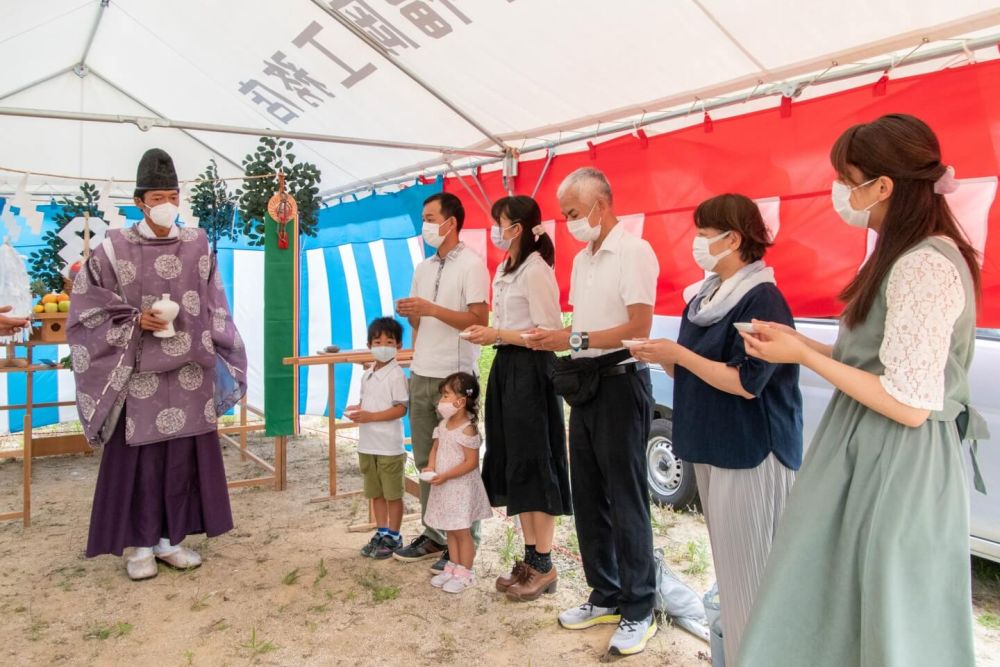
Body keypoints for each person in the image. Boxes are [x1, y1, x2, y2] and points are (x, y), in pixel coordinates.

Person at [737, 114, 984, 667]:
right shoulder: (906, 253)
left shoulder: (923, 264)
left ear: (883, 185)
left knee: (885, 622)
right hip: (870, 450)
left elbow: (909, 404)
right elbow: (879, 365)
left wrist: (802, 355)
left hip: (897, 461)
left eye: (847, 178)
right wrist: (802, 345)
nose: (841, 193)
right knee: (839, 614)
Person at [631, 193, 803, 662]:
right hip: (708, 444)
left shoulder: (762, 297)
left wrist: (680, 356)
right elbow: (692, 371)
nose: (697, 243)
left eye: (705, 234)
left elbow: (749, 383)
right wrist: (666, 358)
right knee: (731, 572)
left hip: (750, 450)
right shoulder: (705, 295)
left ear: (734, 238)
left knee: (753, 576)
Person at [67, 148, 247, 581]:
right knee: (143, 464)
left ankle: (172, 541)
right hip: (138, 374)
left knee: (182, 459)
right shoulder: (113, 248)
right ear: (139, 200)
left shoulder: (197, 242)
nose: (167, 203)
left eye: (173, 195)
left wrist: (221, 347)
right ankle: (141, 547)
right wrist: (133, 319)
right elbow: (86, 304)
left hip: (189, 372)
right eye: (158, 196)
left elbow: (214, 300)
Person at [526, 167, 660, 656]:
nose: (569, 222)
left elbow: (638, 326)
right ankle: (605, 592)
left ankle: (640, 607)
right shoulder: (582, 260)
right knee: (588, 495)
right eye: (565, 214)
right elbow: (584, 324)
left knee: (626, 499)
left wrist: (572, 338)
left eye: (573, 213)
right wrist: (564, 338)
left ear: (600, 206)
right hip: (585, 386)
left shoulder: (635, 251)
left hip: (622, 383)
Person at [463, 195, 571, 601]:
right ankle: (531, 558)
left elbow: (549, 333)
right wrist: (493, 336)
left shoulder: (537, 269)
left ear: (518, 228)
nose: (495, 229)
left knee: (535, 464)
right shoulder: (506, 268)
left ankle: (544, 563)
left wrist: (496, 335)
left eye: (500, 222)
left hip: (531, 372)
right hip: (507, 369)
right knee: (516, 465)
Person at [394, 193, 490, 572]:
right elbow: (421, 323)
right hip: (422, 370)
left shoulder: (472, 265)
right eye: (424, 218)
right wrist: (413, 315)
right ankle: (435, 535)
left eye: (431, 218)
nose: (426, 226)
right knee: (425, 459)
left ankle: (464, 540)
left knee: (459, 462)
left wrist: (431, 309)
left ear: (451, 222)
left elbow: (478, 318)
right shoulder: (422, 266)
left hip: (454, 375)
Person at [423, 372, 493, 594]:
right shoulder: (443, 425)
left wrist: (446, 475)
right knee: (451, 529)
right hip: (445, 486)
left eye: (445, 396)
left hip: (460, 489)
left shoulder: (468, 428)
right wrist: (431, 467)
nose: (440, 401)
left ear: (460, 401)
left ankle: (466, 572)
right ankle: (452, 566)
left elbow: (471, 462)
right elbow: (435, 448)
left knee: (462, 531)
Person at [346, 317, 409, 560]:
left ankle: (394, 535)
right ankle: (381, 531)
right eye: (378, 341)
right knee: (376, 493)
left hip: (389, 446)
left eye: (389, 341)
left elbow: (401, 409)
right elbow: (367, 402)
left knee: (393, 493)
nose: (383, 345)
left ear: (398, 346)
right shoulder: (368, 374)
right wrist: (358, 408)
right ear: (369, 344)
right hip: (367, 444)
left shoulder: (396, 375)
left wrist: (371, 416)